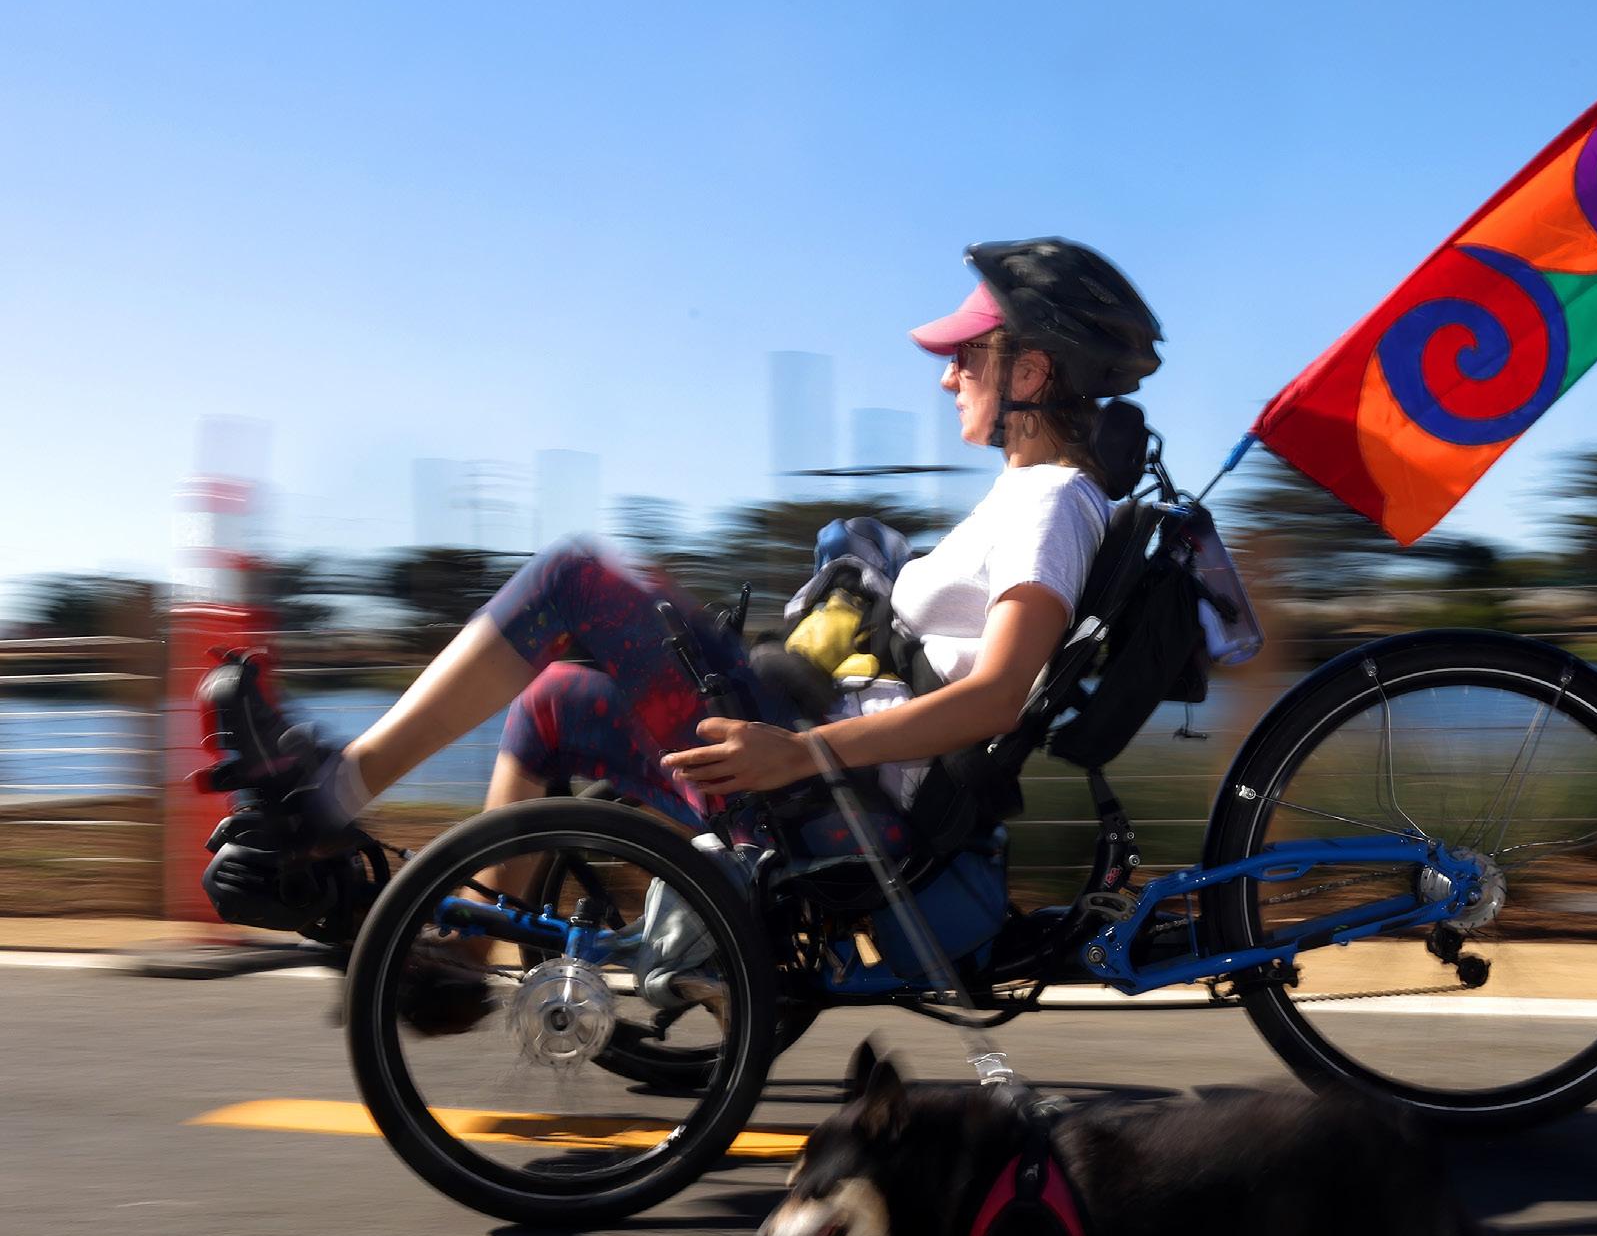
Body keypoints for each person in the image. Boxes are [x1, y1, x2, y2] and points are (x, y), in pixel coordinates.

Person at [200, 238, 1164, 945]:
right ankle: (460, 957)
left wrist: (800, 752)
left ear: (1032, 370)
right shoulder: (1029, 498)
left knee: (573, 579)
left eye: (968, 354)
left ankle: (332, 791)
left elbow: (995, 698)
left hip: (833, 797)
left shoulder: (1052, 503)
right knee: (549, 702)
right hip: (827, 774)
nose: (949, 376)